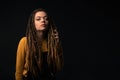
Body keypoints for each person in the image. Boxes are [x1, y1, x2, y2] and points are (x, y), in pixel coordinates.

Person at [15, 8, 64, 80]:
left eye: (46, 19)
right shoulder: (24, 42)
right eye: (38, 19)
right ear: (32, 23)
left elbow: (59, 67)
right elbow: (19, 72)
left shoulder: (52, 43)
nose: (43, 21)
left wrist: (57, 45)